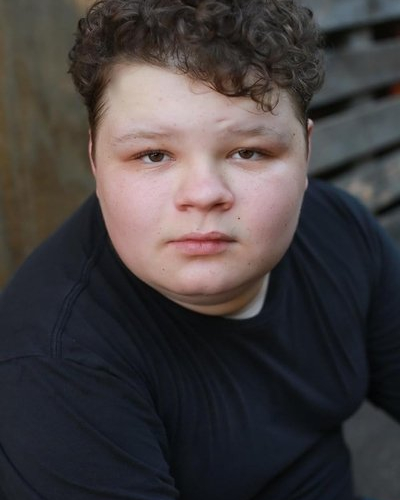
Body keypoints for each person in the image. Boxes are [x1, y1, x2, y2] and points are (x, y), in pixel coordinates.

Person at [0, 0, 398, 498]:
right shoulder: (55, 369)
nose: (204, 193)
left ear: (306, 152)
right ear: (96, 162)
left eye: (248, 151)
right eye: (153, 155)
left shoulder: (337, 230)